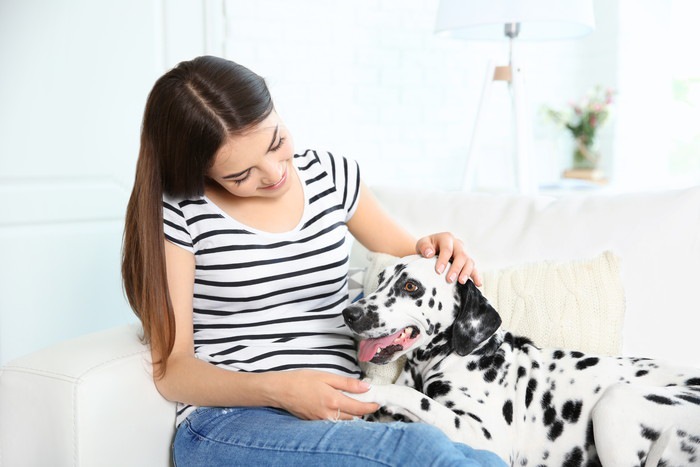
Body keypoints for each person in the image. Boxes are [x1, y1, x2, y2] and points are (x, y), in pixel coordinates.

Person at [122, 55, 505, 467]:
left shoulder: (332, 176)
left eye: (276, 142)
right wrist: (281, 390)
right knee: (419, 450)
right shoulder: (179, 211)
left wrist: (441, 246)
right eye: (240, 175)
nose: (273, 173)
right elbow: (172, 370)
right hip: (231, 424)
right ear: (201, 171)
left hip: (345, 419)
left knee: (479, 456)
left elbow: (415, 257)